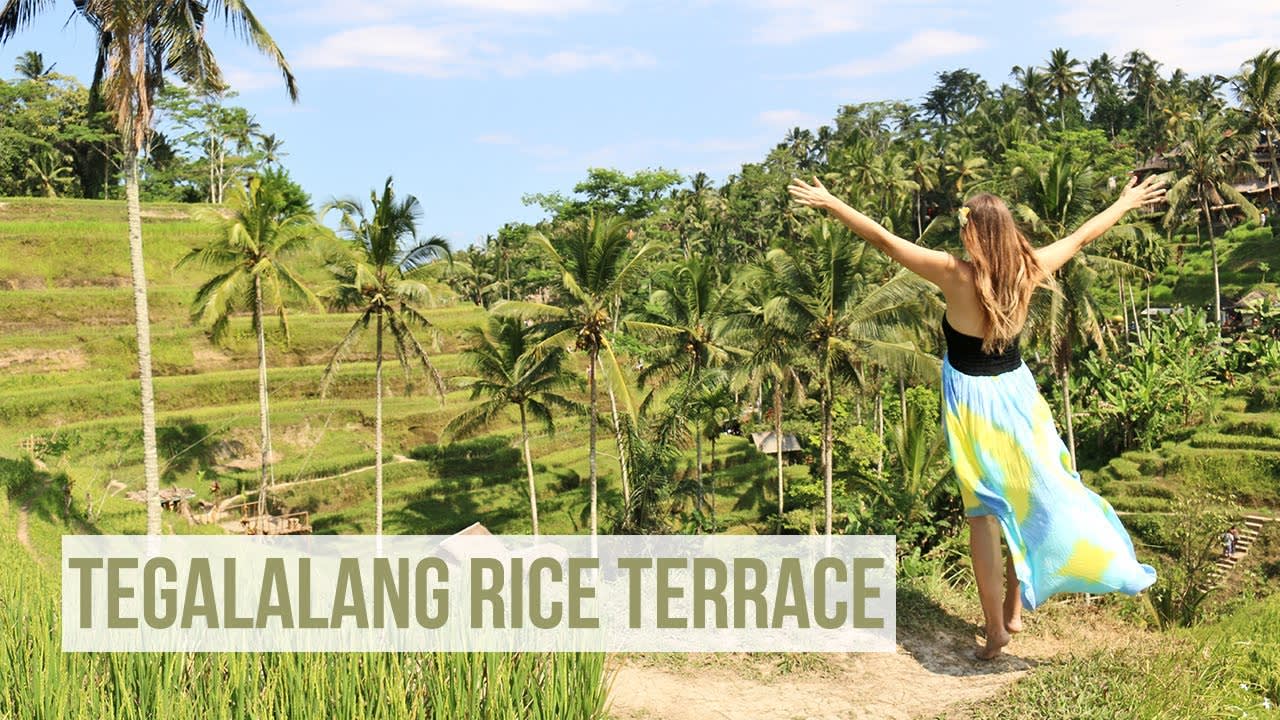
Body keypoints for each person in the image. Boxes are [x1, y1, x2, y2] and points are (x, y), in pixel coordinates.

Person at [788, 174, 1162, 660]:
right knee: (1023, 501)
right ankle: (1013, 613)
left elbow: (882, 238)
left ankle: (996, 630)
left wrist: (832, 201)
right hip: (1021, 396)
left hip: (973, 402)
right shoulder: (1031, 268)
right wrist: (1125, 202)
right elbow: (1084, 234)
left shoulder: (953, 273)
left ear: (973, 233)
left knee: (984, 514)